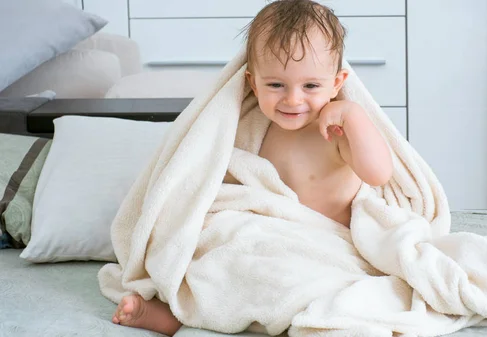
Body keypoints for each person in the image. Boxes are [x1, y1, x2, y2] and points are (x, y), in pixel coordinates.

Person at [111, 0, 393, 335]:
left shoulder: (338, 129)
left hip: (328, 247)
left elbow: (379, 174)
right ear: (252, 82)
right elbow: (221, 183)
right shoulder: (248, 125)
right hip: (266, 239)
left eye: (311, 86)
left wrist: (354, 117)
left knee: (296, 281)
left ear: (337, 82)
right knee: (218, 257)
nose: (293, 99)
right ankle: (175, 313)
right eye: (276, 85)